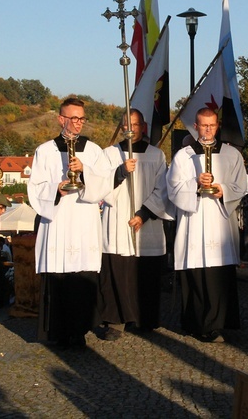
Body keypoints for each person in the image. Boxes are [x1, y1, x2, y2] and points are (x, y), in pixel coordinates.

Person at [27, 96, 111, 348]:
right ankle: (58, 332)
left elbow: (105, 185)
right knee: (58, 278)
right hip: (58, 222)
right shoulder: (45, 150)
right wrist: (57, 189)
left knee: (81, 279)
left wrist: (85, 169)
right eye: (73, 118)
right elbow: (35, 187)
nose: (78, 123)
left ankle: (79, 332)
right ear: (61, 119)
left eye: (82, 118)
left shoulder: (94, 150)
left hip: (84, 220)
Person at [166, 107, 248, 343]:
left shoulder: (231, 155)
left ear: (218, 125)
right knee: (197, 275)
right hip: (194, 220)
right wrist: (195, 184)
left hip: (220, 221)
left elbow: (240, 185)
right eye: (203, 125)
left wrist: (222, 189)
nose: (208, 130)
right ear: (196, 126)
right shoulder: (184, 156)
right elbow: (173, 189)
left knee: (219, 275)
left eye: (212, 125)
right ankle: (197, 323)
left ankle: (221, 323)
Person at [99, 109, 174, 339]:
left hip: (147, 223)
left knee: (145, 275)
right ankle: (116, 320)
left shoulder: (156, 155)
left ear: (143, 126)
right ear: (121, 127)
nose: (130, 128)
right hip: (117, 220)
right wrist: (120, 171)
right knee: (118, 271)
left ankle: (144, 318)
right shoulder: (109, 154)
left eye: (135, 124)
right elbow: (99, 185)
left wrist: (143, 213)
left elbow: (163, 189)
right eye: (126, 124)